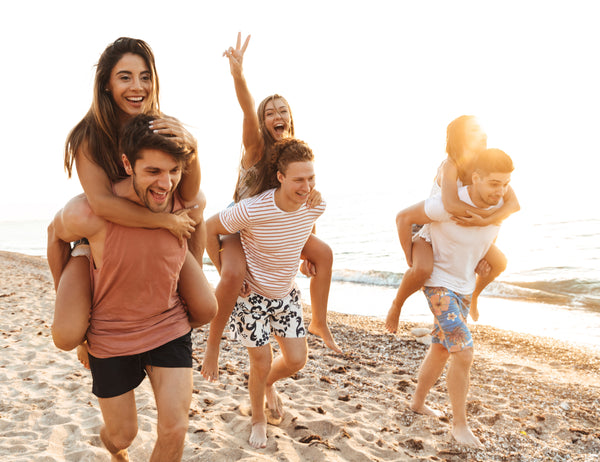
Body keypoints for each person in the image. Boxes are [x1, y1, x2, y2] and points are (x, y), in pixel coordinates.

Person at [47, 114, 215, 460]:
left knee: (175, 429)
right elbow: (54, 236)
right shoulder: (89, 214)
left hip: (167, 326)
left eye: (173, 171)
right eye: (153, 171)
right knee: (122, 434)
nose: (165, 183)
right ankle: (115, 452)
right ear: (128, 164)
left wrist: (189, 270)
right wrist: (71, 304)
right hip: (111, 335)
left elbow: (198, 224)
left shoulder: (185, 201)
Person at [50, 37, 214, 358]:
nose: (137, 86)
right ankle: (86, 319)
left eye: (145, 76)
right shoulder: (89, 135)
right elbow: (102, 204)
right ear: (107, 85)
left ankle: (182, 282)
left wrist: (192, 147)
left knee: (206, 307)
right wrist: (164, 220)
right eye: (125, 77)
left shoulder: (163, 125)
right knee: (67, 335)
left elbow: (190, 194)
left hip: (154, 235)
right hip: (100, 235)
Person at [200, 33, 339, 384]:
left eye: (283, 111)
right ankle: (213, 344)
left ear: (290, 119)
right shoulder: (255, 148)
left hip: (274, 225)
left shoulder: (295, 157)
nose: (276, 116)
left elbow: (303, 208)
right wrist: (238, 75)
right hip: (237, 224)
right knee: (233, 276)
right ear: (264, 122)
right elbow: (247, 107)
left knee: (323, 252)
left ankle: (319, 320)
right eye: (270, 113)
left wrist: (305, 249)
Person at [205, 138, 325, 449]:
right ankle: (258, 419)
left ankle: (269, 383)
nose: (306, 186)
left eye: (311, 178)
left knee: (297, 360)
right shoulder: (253, 209)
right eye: (299, 179)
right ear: (281, 177)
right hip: (252, 297)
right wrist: (225, 272)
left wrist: (306, 260)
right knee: (260, 361)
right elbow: (209, 228)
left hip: (286, 295)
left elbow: (300, 235)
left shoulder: (316, 205)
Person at [395, 147, 515, 447]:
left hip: (462, 285)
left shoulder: (501, 201)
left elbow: (493, 230)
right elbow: (406, 218)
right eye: (494, 183)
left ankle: (417, 402)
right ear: (476, 177)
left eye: (505, 183)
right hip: (438, 283)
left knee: (440, 348)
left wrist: (480, 256)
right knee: (464, 352)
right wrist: (412, 259)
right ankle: (460, 427)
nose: (499, 190)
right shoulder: (448, 204)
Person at [386, 116, 519, 332]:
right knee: (422, 269)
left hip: (461, 233)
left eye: (482, 130)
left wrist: (487, 221)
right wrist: (485, 216)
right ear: (461, 137)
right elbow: (451, 205)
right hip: (430, 229)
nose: (483, 134)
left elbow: (512, 204)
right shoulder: (450, 165)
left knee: (499, 263)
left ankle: (474, 294)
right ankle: (397, 305)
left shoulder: (485, 166)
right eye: (475, 130)